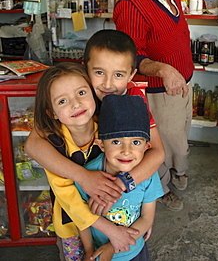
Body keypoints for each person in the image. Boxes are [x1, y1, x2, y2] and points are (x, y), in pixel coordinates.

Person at [24, 30, 165, 253]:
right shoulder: (77, 96)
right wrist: (84, 177)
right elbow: (32, 145)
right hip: (75, 213)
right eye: (99, 72)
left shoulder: (132, 100)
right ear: (85, 69)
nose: (108, 84)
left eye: (118, 75)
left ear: (130, 75)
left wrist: (123, 187)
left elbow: (156, 152)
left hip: (119, 205)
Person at [113, 0, 194, 211]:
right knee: (161, 148)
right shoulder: (132, 3)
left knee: (180, 140)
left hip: (183, 84)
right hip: (159, 91)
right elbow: (130, 56)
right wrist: (164, 70)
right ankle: (161, 190)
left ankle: (176, 175)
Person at [33, 62, 139, 260]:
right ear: (52, 113)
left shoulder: (110, 131)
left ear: (92, 93)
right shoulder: (54, 148)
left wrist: (144, 218)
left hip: (114, 215)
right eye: (62, 101)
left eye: (81, 93)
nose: (75, 104)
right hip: (72, 225)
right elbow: (69, 200)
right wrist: (110, 230)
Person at [76, 93, 164, 261]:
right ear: (101, 144)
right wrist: (88, 251)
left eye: (136, 142)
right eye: (116, 142)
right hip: (98, 253)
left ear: (147, 146)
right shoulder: (88, 176)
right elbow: (82, 218)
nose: (126, 151)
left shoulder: (148, 174)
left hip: (133, 251)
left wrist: (112, 247)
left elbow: (147, 218)